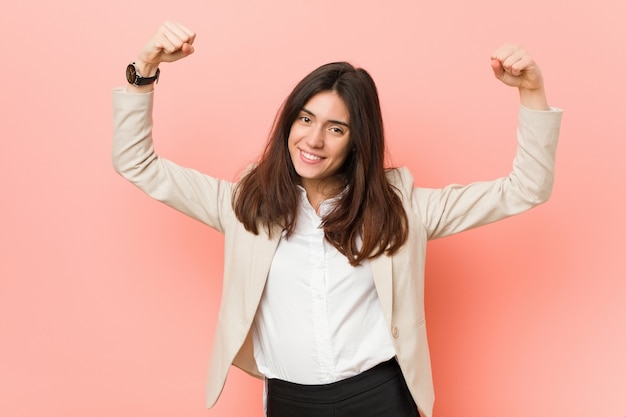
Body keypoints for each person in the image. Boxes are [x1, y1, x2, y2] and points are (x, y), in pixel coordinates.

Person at [112, 21, 562, 417]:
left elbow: (525, 188)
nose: (314, 139)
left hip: (380, 396)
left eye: (336, 128)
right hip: (290, 400)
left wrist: (531, 90)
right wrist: (144, 68)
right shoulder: (243, 206)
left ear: (356, 141)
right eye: (306, 118)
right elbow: (137, 162)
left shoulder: (401, 210)